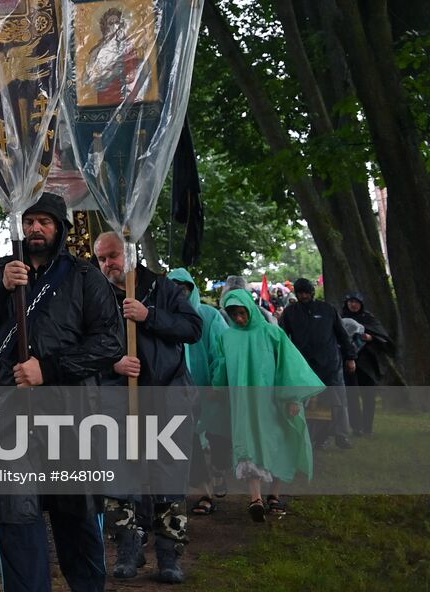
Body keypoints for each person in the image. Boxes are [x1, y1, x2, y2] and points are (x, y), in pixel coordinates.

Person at [0, 192, 124, 592]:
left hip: (70, 414)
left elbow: (111, 343)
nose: (35, 228)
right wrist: (2, 289)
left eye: (45, 221)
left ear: (60, 227)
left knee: (76, 517)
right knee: (16, 518)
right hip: (10, 416)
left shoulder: (85, 277)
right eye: (29, 221)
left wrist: (50, 368)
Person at [93, 233, 201, 584]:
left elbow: (192, 328)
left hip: (167, 396)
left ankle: (169, 555)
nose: (109, 264)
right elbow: (82, 344)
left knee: (167, 475)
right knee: (120, 476)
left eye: (114, 256)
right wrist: (113, 362)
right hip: (118, 399)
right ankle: (127, 548)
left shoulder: (163, 288)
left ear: (131, 255)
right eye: (102, 259)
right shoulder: (97, 295)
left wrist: (148, 315)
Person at [211, 286, 323, 521]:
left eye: (242, 313)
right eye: (234, 315)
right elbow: (222, 367)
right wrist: (217, 389)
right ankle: (256, 499)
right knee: (248, 445)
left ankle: (274, 494)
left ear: (250, 309)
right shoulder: (227, 337)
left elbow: (288, 365)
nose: (239, 319)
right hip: (243, 404)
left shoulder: (272, 333)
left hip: (273, 402)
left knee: (279, 443)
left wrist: (292, 397)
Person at [172, 269, 229, 518]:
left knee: (218, 438)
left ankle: (218, 471)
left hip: (209, 389)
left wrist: (218, 384)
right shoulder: (166, 318)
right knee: (190, 441)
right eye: (174, 286)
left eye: (184, 286)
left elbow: (221, 353)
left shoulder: (209, 316)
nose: (179, 291)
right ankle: (204, 492)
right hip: (180, 393)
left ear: (192, 288)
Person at [279, 278, 355, 449]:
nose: (303, 296)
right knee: (311, 403)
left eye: (306, 292)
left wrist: (350, 357)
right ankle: (317, 438)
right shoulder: (290, 312)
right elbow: (282, 337)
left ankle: (341, 435)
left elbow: (342, 335)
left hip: (330, 364)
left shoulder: (327, 310)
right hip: (304, 366)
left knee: (338, 400)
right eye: (300, 293)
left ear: (312, 292)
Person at [341, 291, 397, 436]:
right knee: (351, 395)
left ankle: (367, 427)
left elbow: (383, 337)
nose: (353, 305)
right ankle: (356, 427)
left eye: (356, 302)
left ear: (361, 304)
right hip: (348, 362)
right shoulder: (341, 318)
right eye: (350, 302)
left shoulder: (369, 318)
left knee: (368, 396)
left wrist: (371, 337)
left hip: (368, 363)